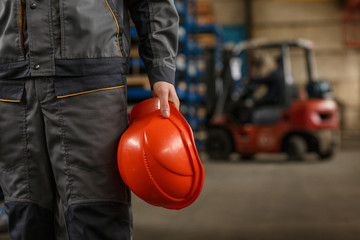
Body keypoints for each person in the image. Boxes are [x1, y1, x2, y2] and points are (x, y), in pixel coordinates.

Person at [0, 0, 179, 239]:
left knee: (97, 215)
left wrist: (161, 68)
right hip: (12, 84)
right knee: (26, 217)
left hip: (89, 81)